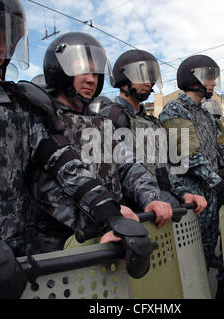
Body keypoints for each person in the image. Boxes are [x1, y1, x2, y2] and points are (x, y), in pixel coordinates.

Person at [0, 0, 150, 298]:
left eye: (6, 36)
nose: (1, 46)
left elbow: (63, 164)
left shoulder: (19, 105)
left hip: (16, 261)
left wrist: (108, 213)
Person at [33, 33, 172, 258]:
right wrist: (106, 216)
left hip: (110, 232)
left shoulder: (100, 123)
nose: (91, 79)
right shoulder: (42, 118)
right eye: (82, 70)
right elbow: (46, 189)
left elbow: (128, 165)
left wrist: (152, 197)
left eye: (96, 73)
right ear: (58, 70)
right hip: (63, 245)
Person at [158, 54, 224, 299]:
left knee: (203, 263)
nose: (213, 82)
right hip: (190, 200)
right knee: (187, 266)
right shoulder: (175, 110)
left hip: (210, 199)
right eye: (209, 77)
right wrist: (221, 183)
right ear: (193, 79)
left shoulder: (206, 116)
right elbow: (189, 156)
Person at [97, 49, 207, 214]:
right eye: (141, 75)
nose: (149, 82)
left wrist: (183, 193)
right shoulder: (112, 116)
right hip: (136, 213)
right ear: (124, 78)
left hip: (161, 209)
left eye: (151, 75)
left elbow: (163, 170)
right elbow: (106, 175)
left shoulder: (151, 122)